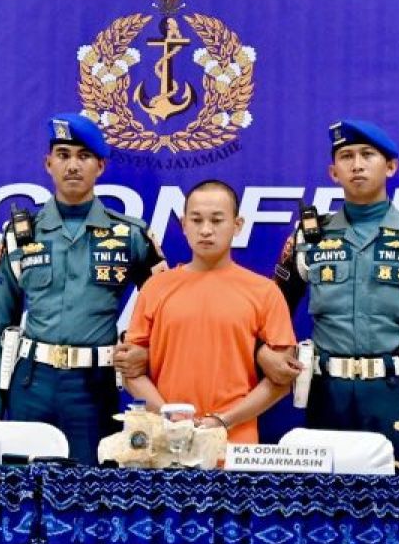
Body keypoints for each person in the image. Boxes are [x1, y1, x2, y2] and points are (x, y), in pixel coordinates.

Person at [0, 112, 167, 464]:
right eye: (63, 155)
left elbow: (166, 313)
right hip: (31, 384)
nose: (73, 166)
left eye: (84, 157)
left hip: (94, 386)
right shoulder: (20, 235)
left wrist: (146, 353)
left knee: (90, 488)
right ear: (48, 164)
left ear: (101, 166)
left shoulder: (130, 235)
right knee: (23, 487)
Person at [269, 119, 399, 456]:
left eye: (367, 154)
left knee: (398, 487)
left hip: (394, 395)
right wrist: (270, 355)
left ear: (390, 167)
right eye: (346, 156)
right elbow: (273, 313)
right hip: (326, 395)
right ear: (333, 173)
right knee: (325, 489)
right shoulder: (308, 237)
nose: (357, 165)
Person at [121, 180, 296, 443]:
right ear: (183, 224)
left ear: (237, 225)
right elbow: (131, 371)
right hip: (166, 441)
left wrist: (225, 420)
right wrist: (170, 416)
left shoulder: (265, 292)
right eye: (196, 220)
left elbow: (281, 380)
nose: (205, 230)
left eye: (216, 220)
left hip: (235, 441)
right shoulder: (155, 288)